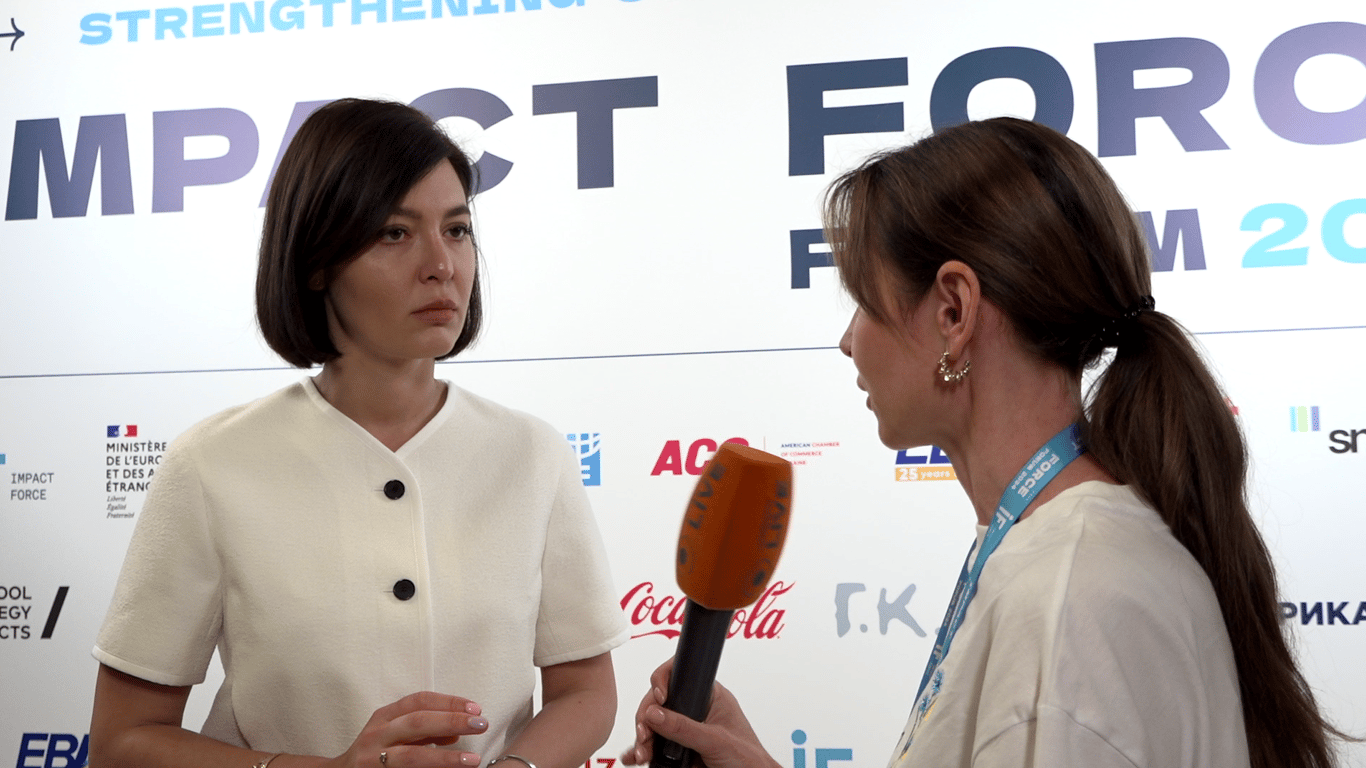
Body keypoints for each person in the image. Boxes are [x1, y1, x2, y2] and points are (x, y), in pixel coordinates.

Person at [620, 118, 1345, 768]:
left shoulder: (1066, 599)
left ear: (954, 311)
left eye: (862, 303)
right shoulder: (1064, 558)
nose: (847, 342)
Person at [90, 98, 628, 768]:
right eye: (394, 233)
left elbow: (586, 693)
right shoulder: (211, 463)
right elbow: (123, 739)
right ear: (317, 262)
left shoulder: (533, 455)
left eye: (457, 229)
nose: (442, 264)